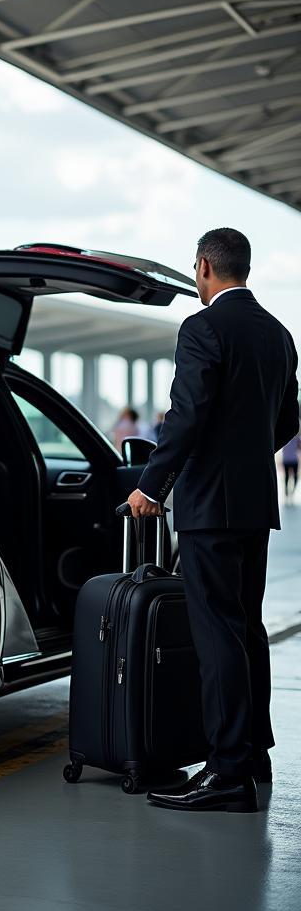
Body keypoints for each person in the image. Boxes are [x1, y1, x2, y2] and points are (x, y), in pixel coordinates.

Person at [127, 228, 298, 813]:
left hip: (208, 507)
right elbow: (287, 418)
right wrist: (245, 458)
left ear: (203, 267)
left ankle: (227, 774)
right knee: (247, 629)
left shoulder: (202, 329)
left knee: (218, 634)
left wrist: (151, 485)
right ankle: (253, 754)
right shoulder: (279, 333)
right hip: (254, 504)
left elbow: (188, 413)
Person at [282, 431, 300, 501]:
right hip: (288, 460)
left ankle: (291, 492)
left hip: (291, 460)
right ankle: (287, 492)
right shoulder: (285, 437)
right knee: (288, 477)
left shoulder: (297, 438)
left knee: (294, 477)